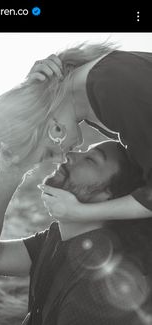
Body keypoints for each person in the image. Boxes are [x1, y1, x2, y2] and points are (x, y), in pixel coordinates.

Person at [0, 140, 152, 324]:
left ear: (108, 196)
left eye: (91, 159)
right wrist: (10, 173)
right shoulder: (57, 240)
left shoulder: (100, 285)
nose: (71, 155)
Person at [23, 42, 152, 224]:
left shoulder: (112, 88)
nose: (62, 158)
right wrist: (35, 91)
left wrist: (79, 213)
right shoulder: (93, 96)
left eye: (50, 153)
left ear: (52, 126)